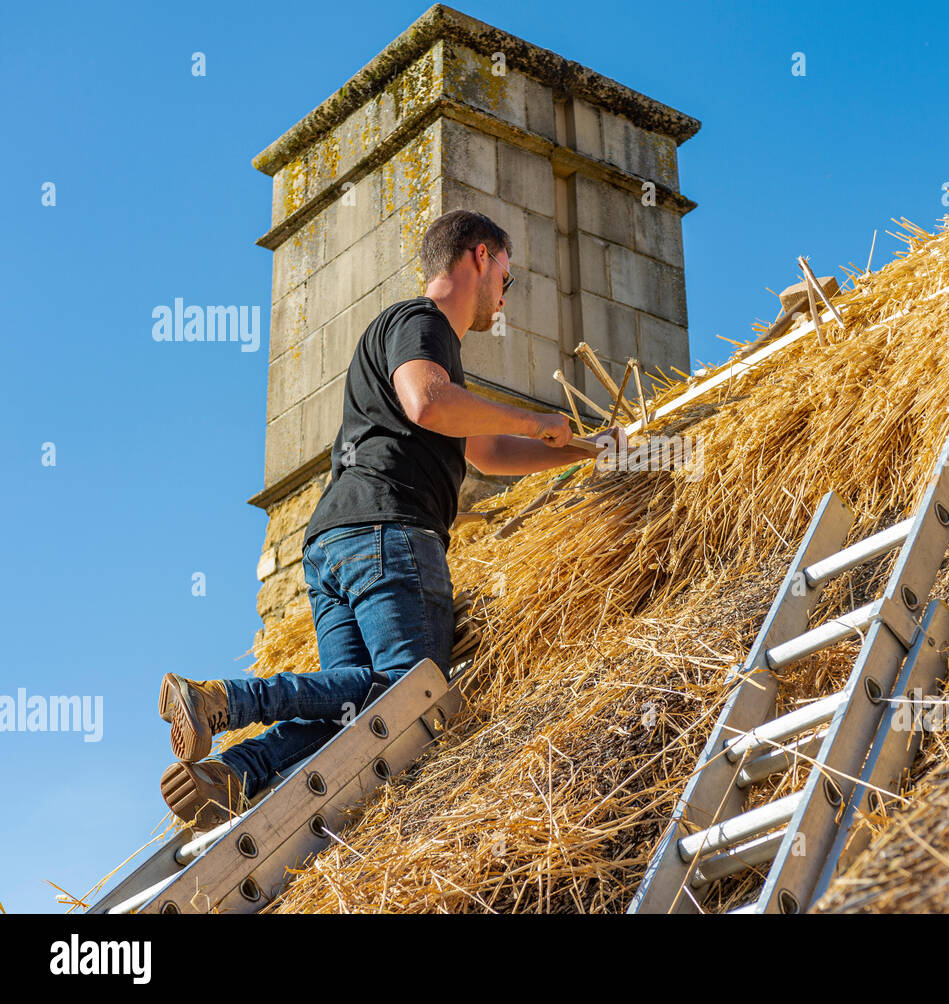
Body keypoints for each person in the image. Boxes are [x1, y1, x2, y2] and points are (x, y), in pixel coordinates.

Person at [158, 209, 619, 830]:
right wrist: (532, 417)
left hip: (336, 541)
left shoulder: (432, 349)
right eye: (508, 275)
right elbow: (426, 403)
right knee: (410, 695)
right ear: (480, 256)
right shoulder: (420, 322)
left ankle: (234, 774)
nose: (507, 294)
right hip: (389, 532)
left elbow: (484, 451)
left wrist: (589, 451)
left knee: (359, 709)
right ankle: (227, 700)